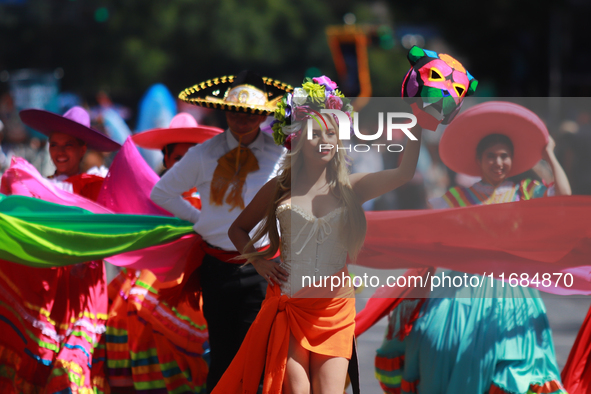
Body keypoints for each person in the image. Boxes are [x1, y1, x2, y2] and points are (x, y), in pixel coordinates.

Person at [207, 75, 423, 394]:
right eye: (315, 133)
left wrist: (418, 119)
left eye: (331, 134)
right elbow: (237, 228)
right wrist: (259, 262)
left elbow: (404, 173)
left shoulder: (351, 187)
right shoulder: (280, 187)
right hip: (290, 305)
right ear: (297, 139)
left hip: (335, 308)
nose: (323, 141)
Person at [375, 101, 571, 394]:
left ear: (513, 161)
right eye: (491, 156)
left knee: (515, 366)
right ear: (479, 160)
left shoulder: (525, 193)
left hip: (514, 293)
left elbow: (563, 198)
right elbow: (426, 227)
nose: (498, 162)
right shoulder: (458, 197)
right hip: (460, 289)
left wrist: (549, 154)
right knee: (438, 344)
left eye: (504, 156)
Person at [151, 70, 293, 393]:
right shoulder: (204, 153)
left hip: (263, 268)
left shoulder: (281, 154)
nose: (242, 121)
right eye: (234, 113)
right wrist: (200, 220)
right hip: (216, 267)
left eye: (251, 114)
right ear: (224, 112)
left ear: (264, 115)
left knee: (260, 355)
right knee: (223, 356)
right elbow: (161, 192)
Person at [0, 106, 120, 394]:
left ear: (82, 149)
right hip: (48, 292)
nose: (60, 152)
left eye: (68, 145)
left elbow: (113, 231)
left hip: (85, 291)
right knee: (42, 366)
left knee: (73, 367)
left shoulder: (98, 187)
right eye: (54, 144)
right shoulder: (35, 188)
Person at [105, 112, 222, 393]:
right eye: (178, 158)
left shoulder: (219, 196)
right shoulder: (152, 197)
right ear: (167, 161)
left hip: (200, 285)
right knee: (130, 308)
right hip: (153, 282)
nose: (186, 164)